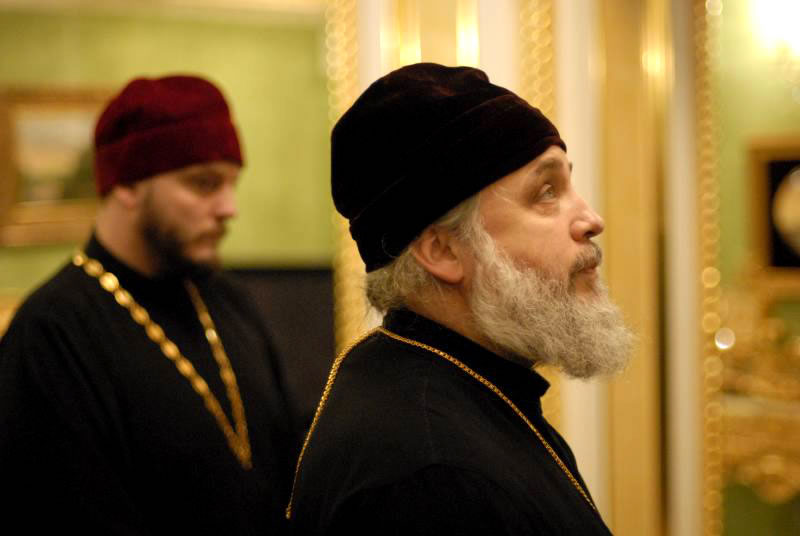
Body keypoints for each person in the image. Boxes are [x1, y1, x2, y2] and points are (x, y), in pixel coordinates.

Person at [286, 63, 634, 535]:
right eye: (546, 192)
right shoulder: (432, 477)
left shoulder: (453, 388)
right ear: (443, 251)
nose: (591, 219)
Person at [0, 75, 293, 534]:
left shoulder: (228, 300)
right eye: (204, 184)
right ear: (127, 184)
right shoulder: (50, 332)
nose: (228, 207)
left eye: (231, 183)